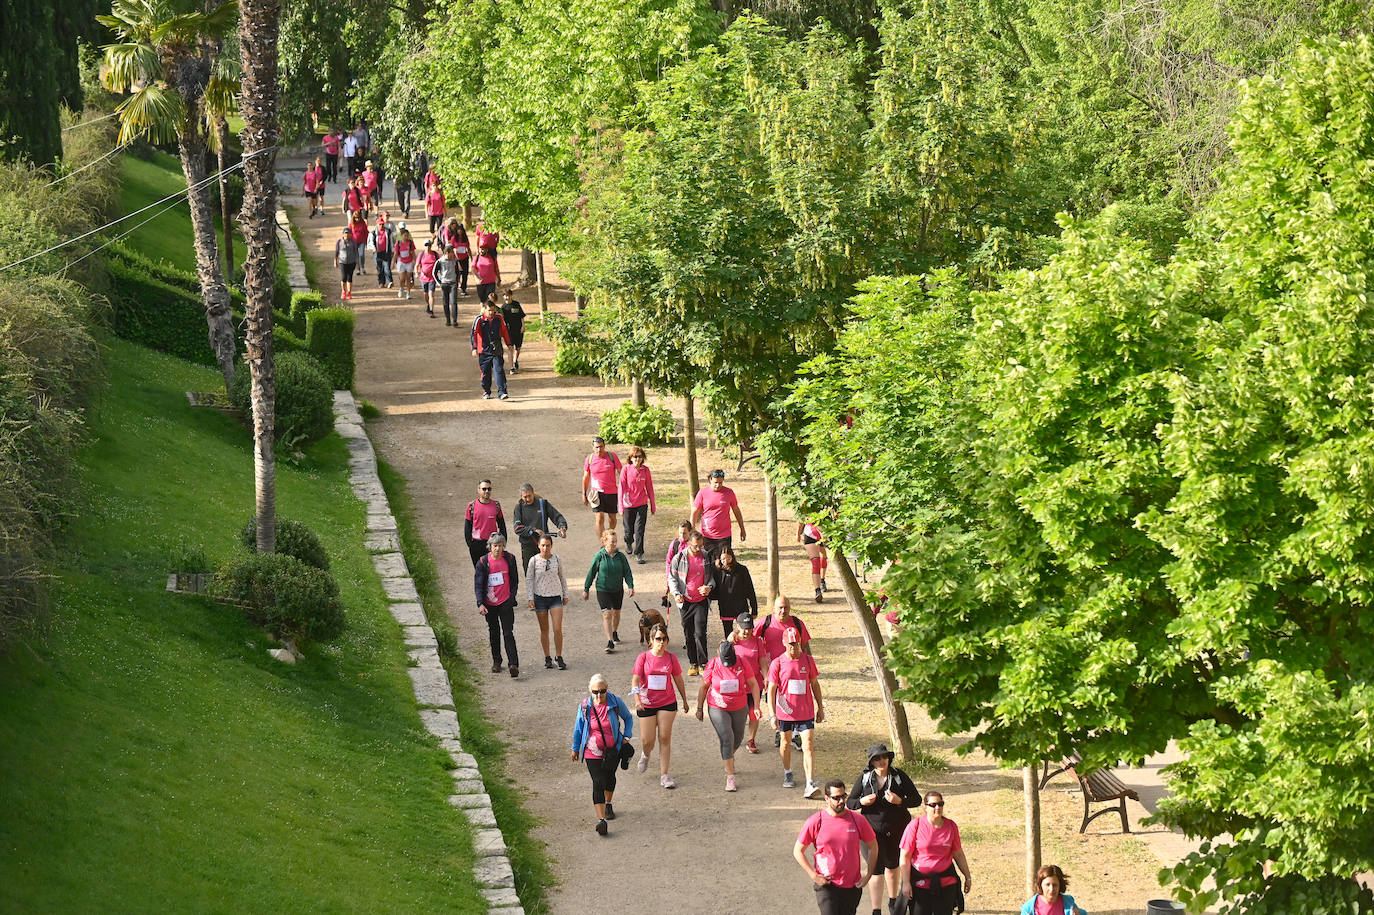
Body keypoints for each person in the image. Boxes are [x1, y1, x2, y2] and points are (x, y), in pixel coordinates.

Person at [847, 744, 922, 915]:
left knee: (893, 865)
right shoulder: (865, 778)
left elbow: (917, 799)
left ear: (889, 758)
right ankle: (876, 910)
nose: (881, 761)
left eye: (884, 757)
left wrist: (900, 801)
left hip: (898, 829)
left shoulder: (898, 776)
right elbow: (850, 802)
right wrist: (862, 802)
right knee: (876, 869)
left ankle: (893, 902)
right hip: (871, 830)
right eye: (876, 758)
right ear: (871, 762)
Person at [795, 779, 878, 915]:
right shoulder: (816, 821)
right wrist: (813, 875)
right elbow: (798, 851)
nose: (841, 801)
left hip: (852, 886)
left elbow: (873, 846)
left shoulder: (857, 820)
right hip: (827, 885)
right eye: (836, 798)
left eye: (843, 796)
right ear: (827, 799)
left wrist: (869, 875)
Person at [571, 673, 634, 835]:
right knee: (598, 781)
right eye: (595, 692)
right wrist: (575, 748)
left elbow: (628, 718)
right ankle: (602, 821)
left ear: (607, 689)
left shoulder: (615, 702)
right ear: (590, 691)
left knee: (609, 777)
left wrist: (627, 736)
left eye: (602, 691)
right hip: (591, 750)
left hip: (612, 749)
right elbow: (579, 728)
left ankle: (608, 803)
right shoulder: (585, 706)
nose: (599, 695)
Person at [694, 640, 761, 792]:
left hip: (739, 706)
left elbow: (753, 684)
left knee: (737, 739)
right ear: (719, 654)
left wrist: (756, 706)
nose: (728, 665)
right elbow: (704, 687)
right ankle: (730, 776)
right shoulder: (713, 664)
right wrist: (699, 708)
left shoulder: (743, 662)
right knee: (727, 737)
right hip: (718, 706)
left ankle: (728, 757)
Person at [768, 625, 824, 797]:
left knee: (808, 745)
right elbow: (772, 689)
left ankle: (810, 782)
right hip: (785, 712)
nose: (794, 647)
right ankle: (787, 772)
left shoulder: (807, 660)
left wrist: (820, 707)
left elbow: (815, 684)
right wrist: (772, 714)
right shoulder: (777, 663)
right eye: (791, 644)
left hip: (805, 712)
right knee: (785, 744)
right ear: (785, 643)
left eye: (796, 643)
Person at [631, 622, 689, 789]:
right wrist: (636, 699)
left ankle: (664, 775)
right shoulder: (643, 658)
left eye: (664, 639)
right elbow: (635, 679)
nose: (661, 642)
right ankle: (646, 754)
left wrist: (684, 699)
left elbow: (678, 679)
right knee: (647, 740)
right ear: (651, 640)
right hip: (646, 703)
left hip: (667, 702)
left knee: (664, 737)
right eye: (658, 639)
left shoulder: (671, 658)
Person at [898, 791, 972, 915]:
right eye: (933, 805)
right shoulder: (915, 826)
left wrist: (967, 876)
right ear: (925, 807)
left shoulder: (951, 826)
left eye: (940, 804)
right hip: (920, 884)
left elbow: (958, 854)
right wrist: (906, 883)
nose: (937, 807)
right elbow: (905, 857)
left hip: (946, 883)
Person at [668, 531, 716, 676]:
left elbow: (712, 578)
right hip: (685, 601)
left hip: (701, 601)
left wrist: (709, 587)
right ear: (689, 543)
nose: (698, 549)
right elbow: (672, 578)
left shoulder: (706, 557)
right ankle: (693, 662)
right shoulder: (679, 558)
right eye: (695, 546)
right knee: (688, 633)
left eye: (701, 546)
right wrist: (676, 594)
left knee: (700, 633)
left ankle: (703, 663)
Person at [474, 533, 520, 678]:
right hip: (490, 604)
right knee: (494, 632)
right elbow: (478, 584)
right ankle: (497, 661)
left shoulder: (510, 559)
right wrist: (480, 603)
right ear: (490, 547)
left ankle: (513, 664)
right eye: (495, 546)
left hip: (505, 602)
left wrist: (511, 598)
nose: (498, 549)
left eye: (500, 546)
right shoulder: (483, 562)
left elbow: (514, 581)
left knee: (508, 632)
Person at [583, 529, 634, 654]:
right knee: (607, 614)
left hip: (617, 589)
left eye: (616, 542)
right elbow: (591, 572)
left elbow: (627, 572)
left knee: (616, 613)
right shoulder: (599, 556)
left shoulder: (621, 556)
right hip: (603, 589)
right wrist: (586, 588)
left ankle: (614, 631)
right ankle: (610, 641)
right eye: (612, 542)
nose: (614, 545)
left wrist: (630, 586)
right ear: (605, 542)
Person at [527, 534, 569, 671]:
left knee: (557, 628)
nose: (545, 548)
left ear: (552, 546)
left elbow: (562, 577)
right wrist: (530, 598)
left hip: (555, 596)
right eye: (543, 545)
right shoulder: (533, 560)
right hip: (540, 597)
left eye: (548, 545)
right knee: (544, 630)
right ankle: (547, 657)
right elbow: (529, 579)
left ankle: (559, 656)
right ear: (538, 546)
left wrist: (565, 594)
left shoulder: (557, 559)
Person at [728, 614, 767, 753]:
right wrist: (728, 640)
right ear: (737, 626)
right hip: (737, 685)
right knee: (738, 714)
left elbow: (762, 661)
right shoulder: (732, 641)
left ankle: (751, 739)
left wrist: (766, 677)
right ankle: (733, 738)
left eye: (749, 628)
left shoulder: (758, 642)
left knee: (753, 712)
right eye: (743, 628)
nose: (746, 631)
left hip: (754, 684)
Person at [691, 468, 746, 565]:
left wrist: (742, 528)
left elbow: (736, 511)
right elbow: (695, 512)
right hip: (707, 536)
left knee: (724, 563)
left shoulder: (729, 493)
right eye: (715, 482)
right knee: (709, 564)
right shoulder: (703, 493)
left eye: (720, 482)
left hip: (724, 536)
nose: (718, 485)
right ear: (710, 480)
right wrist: (693, 530)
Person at [513, 483, 569, 570]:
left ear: (533, 493)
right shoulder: (519, 507)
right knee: (529, 573)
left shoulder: (543, 504)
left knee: (544, 572)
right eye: (525, 497)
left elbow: (557, 517)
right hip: (528, 546)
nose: (527, 499)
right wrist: (533, 530)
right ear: (521, 496)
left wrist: (562, 527)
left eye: (529, 496)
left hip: (543, 545)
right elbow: (517, 528)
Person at [618, 446, 656, 564]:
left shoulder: (646, 470)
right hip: (628, 504)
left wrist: (653, 504)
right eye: (635, 457)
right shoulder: (626, 469)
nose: (637, 459)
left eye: (639, 456)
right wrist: (620, 505)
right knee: (629, 530)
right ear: (630, 458)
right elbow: (621, 487)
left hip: (642, 504)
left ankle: (639, 553)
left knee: (639, 530)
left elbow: (649, 487)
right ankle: (628, 542)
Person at [470, 297, 512, 400]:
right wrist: (474, 348)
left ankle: (502, 392)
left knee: (499, 370)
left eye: (493, 310)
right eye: (489, 310)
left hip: (496, 348)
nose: (491, 312)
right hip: (484, 350)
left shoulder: (499, 318)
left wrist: (509, 344)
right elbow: (473, 334)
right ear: (484, 310)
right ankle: (486, 391)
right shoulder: (479, 320)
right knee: (485, 372)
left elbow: (504, 331)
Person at [582, 436, 623, 537]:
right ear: (593, 448)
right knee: (599, 518)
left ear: (604, 446)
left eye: (601, 447)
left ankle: (608, 534)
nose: (599, 450)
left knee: (612, 519)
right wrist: (584, 494)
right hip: (596, 493)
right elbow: (586, 477)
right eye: (596, 447)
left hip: (612, 492)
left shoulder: (612, 456)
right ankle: (602, 543)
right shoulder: (590, 459)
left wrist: (624, 490)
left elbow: (621, 473)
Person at [714, 546, 758, 635]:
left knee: (744, 631)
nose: (725, 561)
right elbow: (714, 589)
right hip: (725, 607)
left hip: (741, 606)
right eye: (723, 559)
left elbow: (750, 590)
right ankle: (730, 649)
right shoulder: (718, 571)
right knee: (728, 634)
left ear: (732, 557)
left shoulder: (742, 570)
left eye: (728, 558)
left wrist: (754, 609)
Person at [464, 479, 507, 567]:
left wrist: (503, 542)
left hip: (493, 543)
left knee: (493, 570)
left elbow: (502, 525)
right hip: (476, 544)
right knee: (480, 572)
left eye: (489, 489)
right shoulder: (472, 506)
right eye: (484, 489)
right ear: (478, 490)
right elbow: (467, 526)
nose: (487, 491)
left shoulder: (496, 505)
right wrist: (470, 544)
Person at [1018, 865, 1086, 915]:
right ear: (1040, 885)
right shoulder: (1029, 910)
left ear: (1060, 885)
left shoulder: (1069, 904)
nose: (1051, 889)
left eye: (1055, 885)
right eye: (1047, 885)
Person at [662, 519, 693, 610]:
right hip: (678, 579)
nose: (682, 535)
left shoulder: (693, 545)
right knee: (681, 605)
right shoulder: (675, 544)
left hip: (691, 580)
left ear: (690, 532)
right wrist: (669, 579)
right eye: (680, 533)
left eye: (684, 533)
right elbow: (669, 562)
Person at [799, 520, 830, 604]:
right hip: (810, 534)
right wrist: (798, 533)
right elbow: (801, 518)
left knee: (824, 555)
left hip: (824, 533)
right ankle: (817, 590)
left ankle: (822, 580)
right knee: (816, 563)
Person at [501, 288, 525, 373]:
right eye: (505, 296)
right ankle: (511, 367)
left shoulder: (516, 304)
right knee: (510, 348)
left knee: (518, 348)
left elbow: (521, 316)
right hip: (509, 331)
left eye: (508, 295)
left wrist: (523, 326)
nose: (507, 297)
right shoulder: (503, 308)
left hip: (518, 329)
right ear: (503, 297)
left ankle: (515, 360)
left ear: (511, 296)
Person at [472, 235, 501, 307]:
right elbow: (473, 268)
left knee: (491, 299)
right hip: (480, 283)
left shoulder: (492, 258)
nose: (481, 251)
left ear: (487, 249)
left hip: (491, 282)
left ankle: (490, 314)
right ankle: (483, 315)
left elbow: (496, 269)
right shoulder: (477, 257)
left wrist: (499, 279)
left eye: (483, 249)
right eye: (480, 249)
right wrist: (477, 277)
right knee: (482, 301)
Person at [434, 245, 460, 325]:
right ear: (447, 253)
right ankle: (448, 320)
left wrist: (457, 280)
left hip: (453, 284)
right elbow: (434, 273)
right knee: (445, 302)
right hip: (444, 284)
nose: (453, 254)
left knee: (454, 302)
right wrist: (439, 283)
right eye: (452, 252)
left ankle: (455, 320)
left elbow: (458, 271)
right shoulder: (440, 261)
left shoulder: (454, 260)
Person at [369, 212, 395, 288]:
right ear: (377, 224)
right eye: (380, 224)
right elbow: (370, 243)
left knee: (387, 268)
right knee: (380, 269)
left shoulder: (388, 231)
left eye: (382, 224)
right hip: (377, 253)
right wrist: (373, 247)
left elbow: (391, 242)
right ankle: (381, 282)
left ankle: (390, 281)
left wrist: (393, 251)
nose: (381, 226)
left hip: (386, 253)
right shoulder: (373, 233)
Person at [333, 227, 358, 300]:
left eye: (348, 233)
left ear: (350, 234)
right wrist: (335, 261)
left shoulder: (353, 242)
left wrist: (357, 263)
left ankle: (349, 292)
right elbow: (336, 252)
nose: (346, 235)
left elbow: (356, 252)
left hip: (351, 261)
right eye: (345, 233)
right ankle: (343, 291)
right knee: (343, 277)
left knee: (350, 277)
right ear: (343, 234)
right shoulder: (339, 242)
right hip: (342, 262)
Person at [394, 226, 416, 299]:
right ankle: (401, 288)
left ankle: (408, 292)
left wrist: (416, 262)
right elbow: (396, 254)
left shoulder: (410, 243)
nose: (406, 237)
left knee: (408, 278)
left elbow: (413, 253)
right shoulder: (398, 243)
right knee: (402, 278)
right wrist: (393, 263)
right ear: (401, 236)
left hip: (409, 262)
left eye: (407, 235)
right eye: (405, 235)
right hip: (401, 262)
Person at [418, 239, 439, 317]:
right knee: (425, 295)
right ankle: (428, 304)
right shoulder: (421, 254)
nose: (428, 247)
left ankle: (431, 310)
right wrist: (417, 273)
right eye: (426, 245)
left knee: (431, 295)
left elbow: (439, 264)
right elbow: (417, 265)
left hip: (432, 278)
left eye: (429, 245)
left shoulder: (435, 255)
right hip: (424, 278)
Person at [348, 209, 370, 275]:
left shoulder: (363, 223)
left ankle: (362, 267)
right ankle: (358, 269)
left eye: (358, 217)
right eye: (355, 218)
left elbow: (366, 232)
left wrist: (367, 242)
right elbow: (349, 233)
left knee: (361, 254)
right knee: (356, 256)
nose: (357, 219)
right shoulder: (351, 224)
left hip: (362, 241)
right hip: (354, 242)